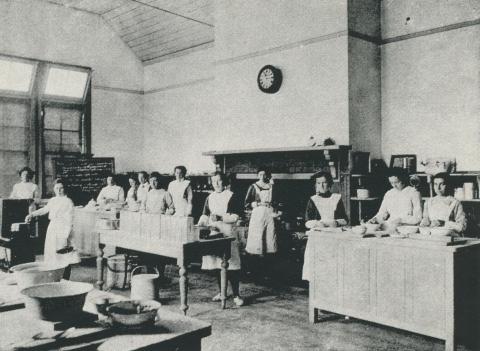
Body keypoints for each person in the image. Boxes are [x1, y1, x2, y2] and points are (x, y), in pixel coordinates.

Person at [198, 172, 244, 307]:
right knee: (217, 264)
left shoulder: (231, 196)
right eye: (214, 181)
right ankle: (221, 291)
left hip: (228, 233)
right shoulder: (209, 197)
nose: (216, 184)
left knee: (232, 265)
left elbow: (235, 216)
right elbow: (205, 214)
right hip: (214, 233)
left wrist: (220, 218)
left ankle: (236, 295)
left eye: (219, 181)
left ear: (224, 182)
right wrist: (201, 223)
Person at [25, 179, 80, 275]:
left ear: (64, 189)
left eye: (61, 188)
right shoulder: (53, 200)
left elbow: (70, 219)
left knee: (63, 254)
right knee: (52, 252)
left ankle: (65, 276)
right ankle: (55, 275)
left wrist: (65, 235)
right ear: (54, 189)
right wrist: (32, 215)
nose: (59, 190)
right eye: (57, 188)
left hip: (63, 229)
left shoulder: (68, 201)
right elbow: (45, 209)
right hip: (53, 228)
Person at [302, 172, 348, 281]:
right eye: (318, 183)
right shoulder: (313, 200)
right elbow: (307, 222)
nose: (321, 186)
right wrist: (318, 223)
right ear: (316, 185)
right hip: (317, 237)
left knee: (332, 267)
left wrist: (335, 223)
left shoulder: (336, 198)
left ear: (330, 184)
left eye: (324, 183)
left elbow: (345, 220)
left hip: (333, 237)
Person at [245, 167, 280, 256]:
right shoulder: (253, 186)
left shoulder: (271, 186)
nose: (262, 176)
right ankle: (257, 253)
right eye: (260, 174)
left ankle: (269, 253)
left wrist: (275, 209)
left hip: (269, 212)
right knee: (258, 233)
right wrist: (258, 204)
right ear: (257, 175)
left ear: (267, 175)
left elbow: (276, 200)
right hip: (258, 213)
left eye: (264, 174)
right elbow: (247, 203)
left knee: (270, 233)